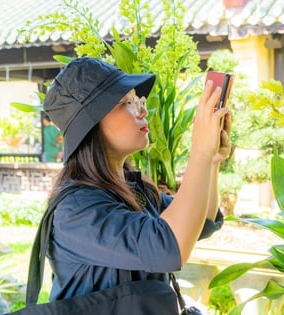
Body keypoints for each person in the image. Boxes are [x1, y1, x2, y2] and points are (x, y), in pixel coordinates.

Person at [41, 57, 231, 306]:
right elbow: (170, 246)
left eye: (138, 101)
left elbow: (200, 223)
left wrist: (213, 161)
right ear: (91, 123)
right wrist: (200, 153)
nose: (142, 110)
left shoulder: (133, 189)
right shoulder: (76, 209)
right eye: (127, 102)